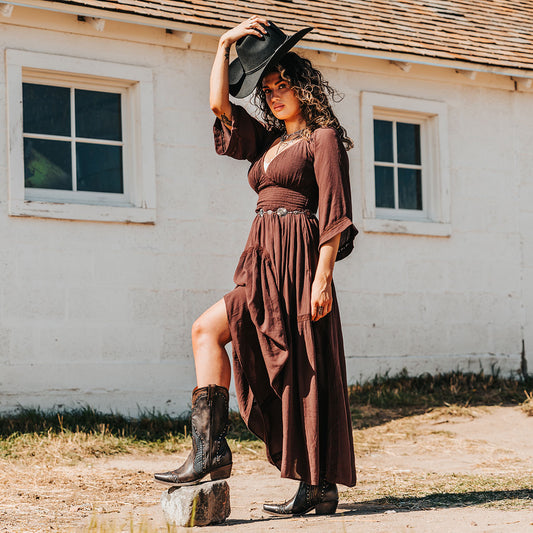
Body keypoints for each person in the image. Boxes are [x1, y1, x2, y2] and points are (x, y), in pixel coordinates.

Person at [155, 16, 357, 516]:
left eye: (282, 85)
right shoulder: (267, 141)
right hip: (262, 263)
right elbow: (219, 105)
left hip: (299, 264)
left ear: (302, 85)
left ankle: (318, 485)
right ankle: (210, 452)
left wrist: (322, 279)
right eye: (266, 90)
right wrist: (223, 44)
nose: (273, 95)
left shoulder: (323, 139)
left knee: (305, 370)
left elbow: (334, 213)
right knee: (207, 330)